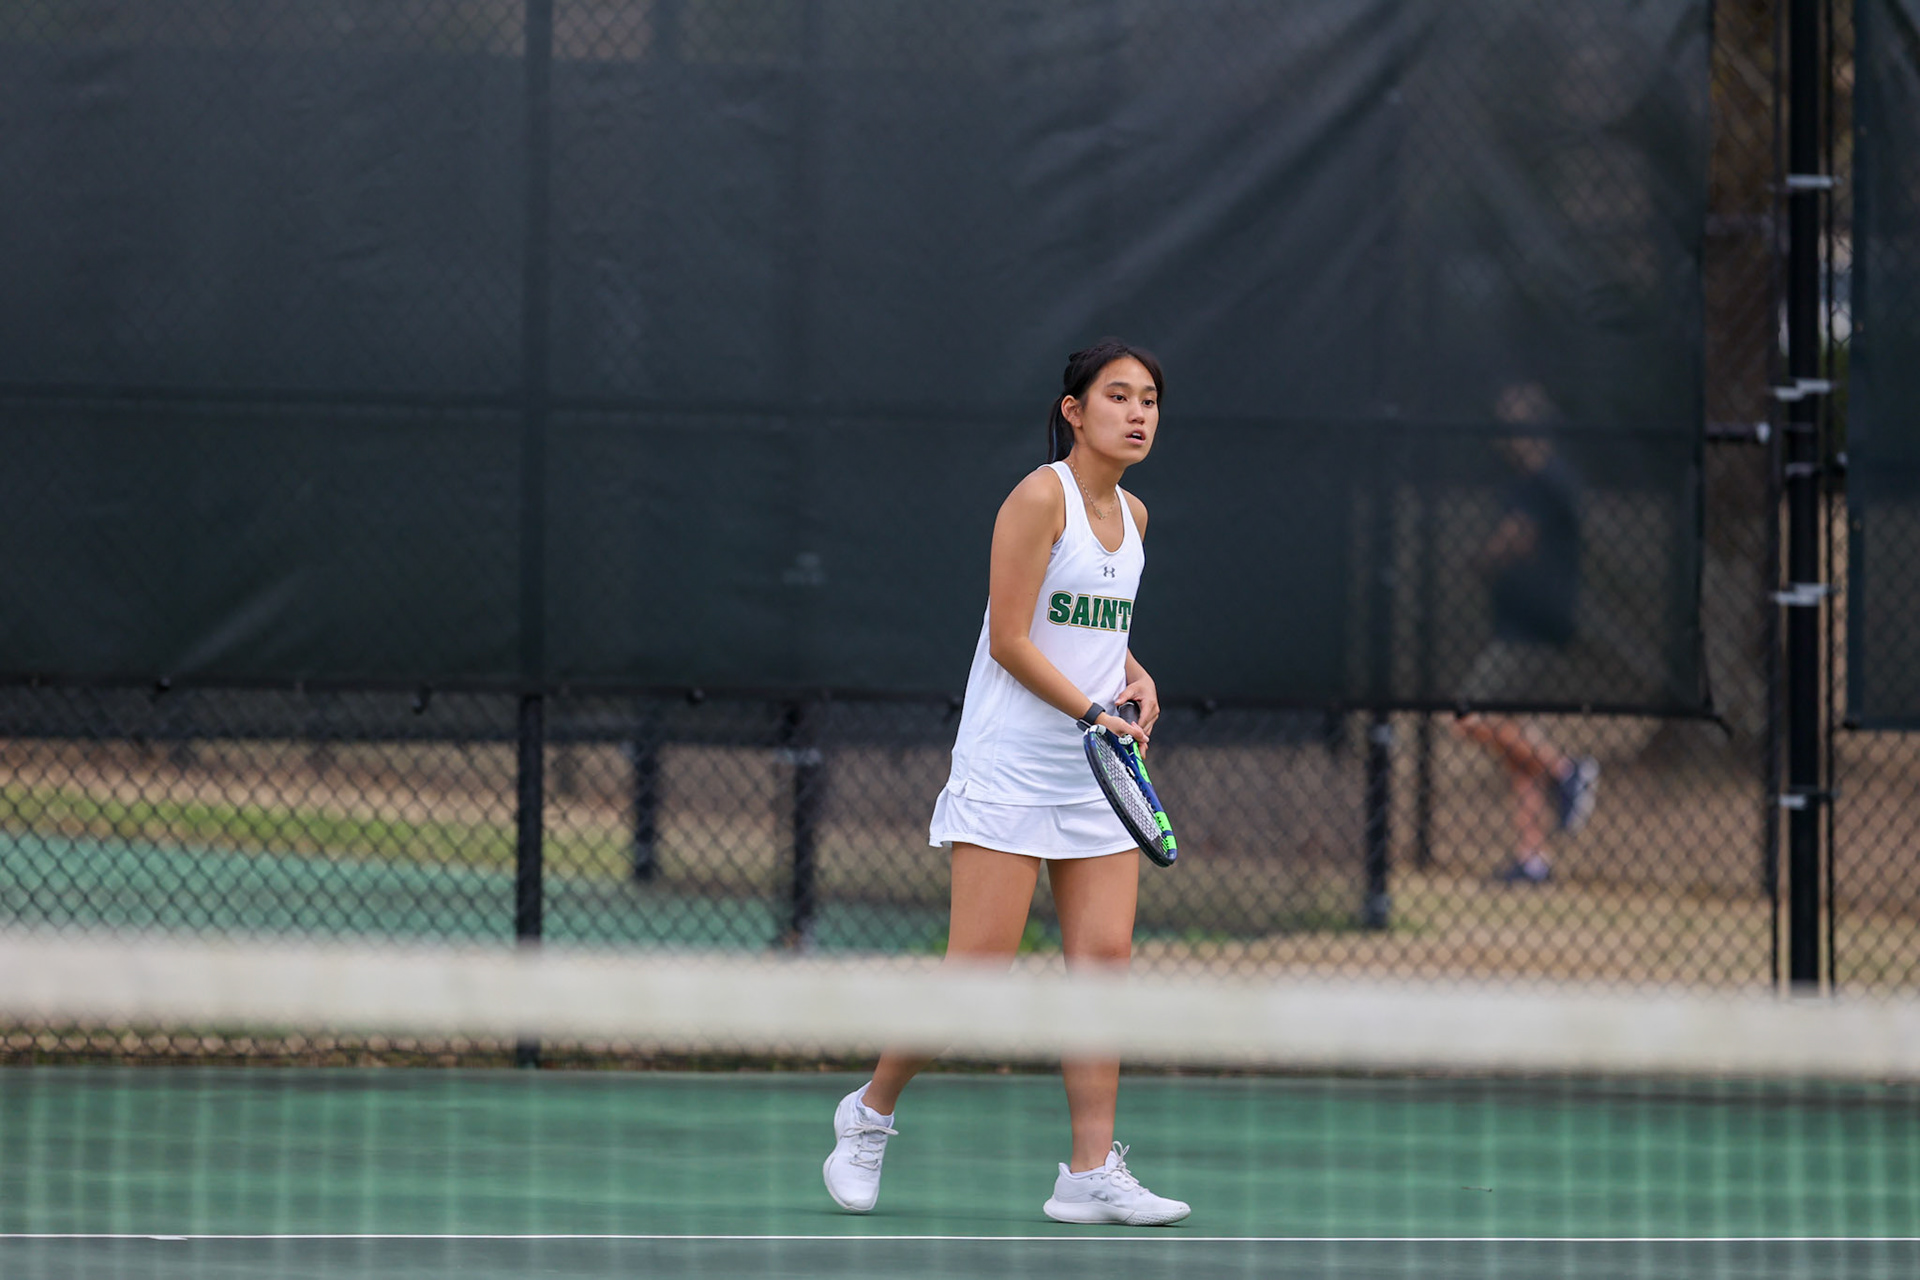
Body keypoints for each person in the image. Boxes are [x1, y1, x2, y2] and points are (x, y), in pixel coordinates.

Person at [821, 340, 1189, 1226]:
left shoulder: (1135, 516)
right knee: (976, 974)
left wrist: (1135, 679)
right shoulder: (1037, 497)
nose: (1138, 414)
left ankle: (1089, 1172)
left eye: (1149, 401)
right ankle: (869, 1113)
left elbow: (1094, 628)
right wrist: (1093, 713)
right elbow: (1013, 638)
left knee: (1103, 967)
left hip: (1094, 777)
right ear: (1074, 410)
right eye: (1118, 397)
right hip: (1012, 766)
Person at [1451, 383, 1599, 885]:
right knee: (1516, 741)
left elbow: (1516, 539)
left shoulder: (1543, 481)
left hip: (1532, 626)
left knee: (1468, 716)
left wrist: (1478, 561)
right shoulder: (1532, 480)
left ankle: (1566, 770)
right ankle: (1533, 859)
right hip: (1522, 621)